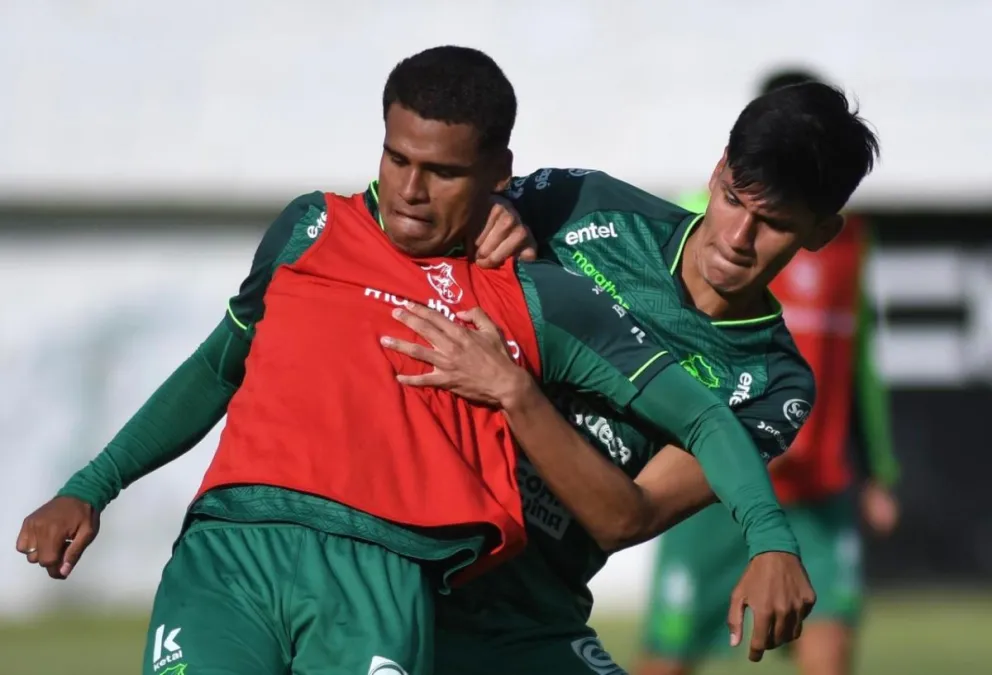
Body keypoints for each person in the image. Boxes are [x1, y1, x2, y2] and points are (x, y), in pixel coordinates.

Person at [14, 46, 810, 675]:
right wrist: (91, 484)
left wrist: (770, 538)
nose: (410, 191)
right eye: (398, 159)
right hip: (232, 556)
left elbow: (687, 439)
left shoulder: (532, 296)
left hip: (412, 584)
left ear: (497, 177)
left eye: (444, 173)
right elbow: (219, 364)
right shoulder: (311, 228)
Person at [380, 79, 881, 675]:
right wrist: (490, 214)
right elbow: (412, 226)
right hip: (405, 557)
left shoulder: (774, 384)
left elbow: (626, 519)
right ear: (718, 169)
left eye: (773, 223)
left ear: (821, 233)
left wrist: (515, 394)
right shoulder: (584, 205)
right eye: (732, 199)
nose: (737, 239)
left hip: (528, 613)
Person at [634, 68, 900, 675]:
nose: (741, 235)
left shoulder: (849, 246)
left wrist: (878, 470)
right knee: (667, 660)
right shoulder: (690, 218)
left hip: (816, 489)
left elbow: (858, 362)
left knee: (830, 656)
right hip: (711, 487)